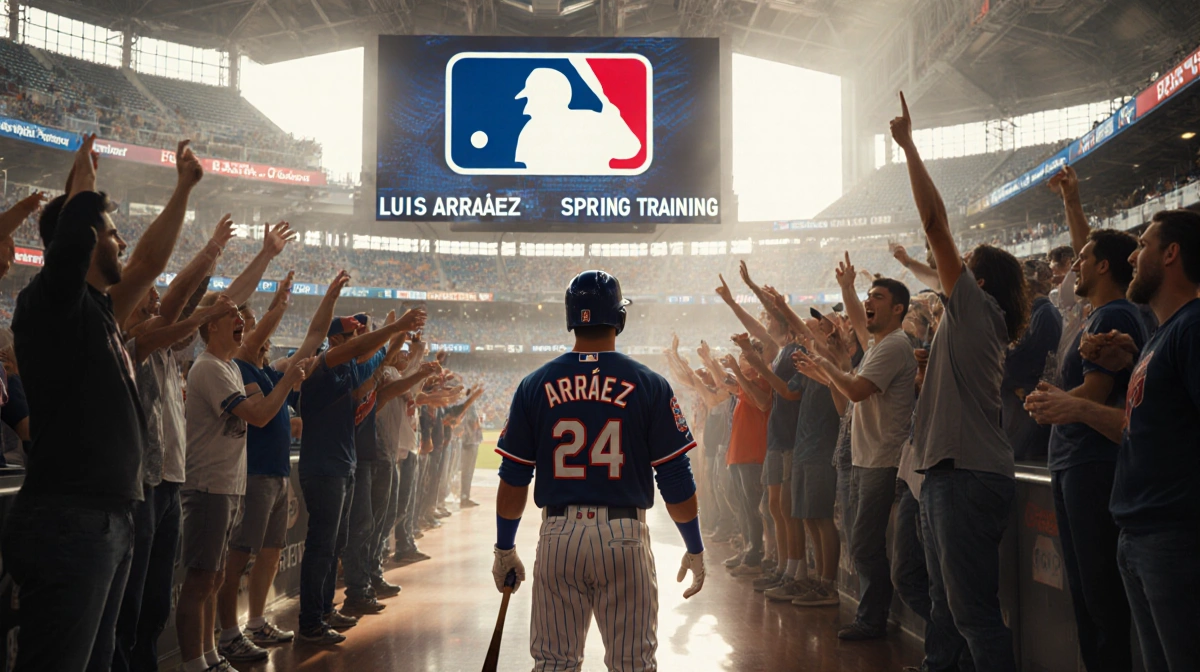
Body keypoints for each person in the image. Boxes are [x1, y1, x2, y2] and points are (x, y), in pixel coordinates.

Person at [3, 135, 202, 672]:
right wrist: (85, 184)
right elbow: (74, 237)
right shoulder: (50, 304)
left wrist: (183, 189)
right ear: (87, 238)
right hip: (70, 519)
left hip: (107, 518)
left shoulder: (99, 310)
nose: (122, 242)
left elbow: (149, 263)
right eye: (112, 233)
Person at [492, 270, 705, 671]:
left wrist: (505, 548)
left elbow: (514, 477)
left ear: (570, 318)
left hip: (558, 537)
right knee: (633, 665)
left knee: (554, 665)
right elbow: (676, 479)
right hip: (624, 536)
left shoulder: (534, 384)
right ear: (619, 318)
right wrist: (694, 546)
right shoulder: (650, 383)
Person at [1026, 209, 1200, 672]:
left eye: (1141, 246)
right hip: (1140, 527)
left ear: (1171, 254)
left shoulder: (1191, 327)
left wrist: (1076, 407)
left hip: (1172, 532)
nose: (1132, 256)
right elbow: (1142, 426)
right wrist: (1129, 359)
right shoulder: (1159, 336)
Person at [894, 93, 1028, 672]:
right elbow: (934, 251)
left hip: (965, 475)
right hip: (952, 472)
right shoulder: (971, 317)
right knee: (950, 611)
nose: (953, 268)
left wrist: (909, 146)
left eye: (964, 264)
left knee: (972, 614)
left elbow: (935, 226)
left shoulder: (975, 307)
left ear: (980, 281)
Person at [1030, 165, 1144, 672]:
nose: (1073, 265)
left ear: (1103, 267)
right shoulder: (1097, 309)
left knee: (1098, 594)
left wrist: (1051, 402)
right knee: (1090, 591)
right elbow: (1091, 249)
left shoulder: (1113, 315)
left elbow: (1096, 392)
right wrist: (1071, 202)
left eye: (1082, 261)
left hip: (1091, 461)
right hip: (1077, 460)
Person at [176, 281, 312, 672]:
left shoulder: (228, 367)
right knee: (201, 581)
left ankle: (210, 655)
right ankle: (195, 663)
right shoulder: (209, 368)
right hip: (208, 486)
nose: (241, 322)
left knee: (214, 578)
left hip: (227, 486)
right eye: (233, 316)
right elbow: (259, 415)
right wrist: (288, 380)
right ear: (211, 325)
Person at [215, 269, 350, 661]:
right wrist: (279, 303)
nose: (251, 329)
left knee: (271, 552)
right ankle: (228, 632)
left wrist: (329, 298)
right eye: (246, 324)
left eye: (251, 322)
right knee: (239, 557)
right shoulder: (238, 368)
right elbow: (260, 413)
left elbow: (313, 337)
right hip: (253, 473)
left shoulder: (269, 371)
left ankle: (256, 621)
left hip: (275, 473)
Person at [797, 255, 918, 639]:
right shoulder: (880, 344)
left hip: (883, 459)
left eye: (878, 297)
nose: (869, 302)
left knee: (865, 544)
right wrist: (848, 288)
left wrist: (826, 365)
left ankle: (873, 619)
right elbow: (860, 330)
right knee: (862, 541)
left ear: (898, 309)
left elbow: (856, 391)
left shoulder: (894, 345)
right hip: (866, 458)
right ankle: (872, 615)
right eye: (868, 297)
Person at [295, 307, 426, 645]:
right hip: (324, 469)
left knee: (334, 545)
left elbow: (376, 364)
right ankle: (310, 622)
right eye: (353, 336)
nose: (358, 341)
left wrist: (396, 338)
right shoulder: (322, 367)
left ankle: (325, 610)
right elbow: (364, 353)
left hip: (343, 467)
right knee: (322, 546)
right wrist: (394, 329)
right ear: (336, 340)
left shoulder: (348, 371)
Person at [513, 68, 640, 174]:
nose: (528, 106)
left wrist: (614, 122)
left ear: (546, 98)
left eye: (532, 98)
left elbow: (630, 149)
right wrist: (614, 121)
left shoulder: (532, 130)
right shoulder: (593, 120)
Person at [1001, 259, 1061, 462]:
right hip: (1020, 404)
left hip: (1028, 406)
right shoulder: (1033, 313)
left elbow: (1033, 359)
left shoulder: (1045, 313)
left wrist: (1007, 372)